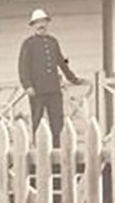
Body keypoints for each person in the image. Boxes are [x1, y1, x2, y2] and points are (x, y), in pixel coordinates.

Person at [18, 8, 84, 143]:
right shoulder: (28, 44)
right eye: (38, 22)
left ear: (47, 24)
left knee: (57, 121)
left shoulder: (53, 42)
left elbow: (61, 62)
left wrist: (73, 78)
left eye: (43, 22)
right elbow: (23, 67)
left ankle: (57, 149)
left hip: (53, 89)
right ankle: (38, 149)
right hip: (37, 90)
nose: (41, 25)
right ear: (33, 25)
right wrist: (28, 85)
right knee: (38, 120)